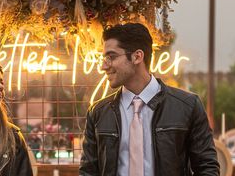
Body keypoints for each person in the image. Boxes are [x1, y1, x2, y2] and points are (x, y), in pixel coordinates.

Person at [80, 23, 219, 176]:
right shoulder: (98, 113)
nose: (103, 66)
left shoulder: (187, 106)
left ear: (137, 56)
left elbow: (207, 168)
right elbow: (88, 172)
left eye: (111, 57)